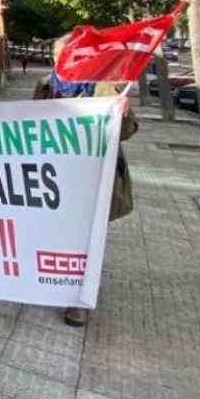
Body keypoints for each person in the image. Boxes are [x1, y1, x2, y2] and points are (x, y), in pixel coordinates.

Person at [34, 38, 137, 327]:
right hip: (57, 175)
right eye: (58, 55)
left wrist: (122, 115)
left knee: (88, 239)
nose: (63, 61)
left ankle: (79, 301)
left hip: (94, 177)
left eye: (70, 55)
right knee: (60, 235)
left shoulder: (103, 87)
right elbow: (32, 123)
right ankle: (59, 282)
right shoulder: (46, 85)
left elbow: (129, 130)